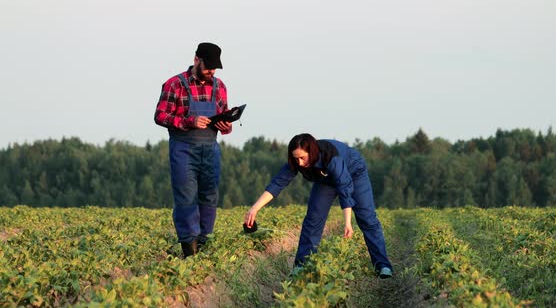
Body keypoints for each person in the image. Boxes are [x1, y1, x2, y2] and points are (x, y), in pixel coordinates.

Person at [244, 133, 393, 278]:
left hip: (354, 173)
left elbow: (344, 187)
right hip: (326, 180)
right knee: (313, 219)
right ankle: (302, 267)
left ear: (312, 151)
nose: (300, 163)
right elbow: (278, 183)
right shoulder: (296, 161)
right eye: (296, 159)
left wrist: (347, 222)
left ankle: (382, 265)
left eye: (303, 157)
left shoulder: (331, 156)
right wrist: (254, 209)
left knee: (367, 218)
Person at [155, 42, 232, 258]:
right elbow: (160, 116)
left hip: (210, 148)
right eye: (208, 67)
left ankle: (205, 246)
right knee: (187, 198)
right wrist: (189, 121)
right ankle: (189, 251)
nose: (212, 72)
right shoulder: (174, 84)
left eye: (215, 68)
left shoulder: (220, 87)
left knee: (209, 196)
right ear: (196, 60)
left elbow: (223, 114)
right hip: (183, 149)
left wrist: (226, 125)